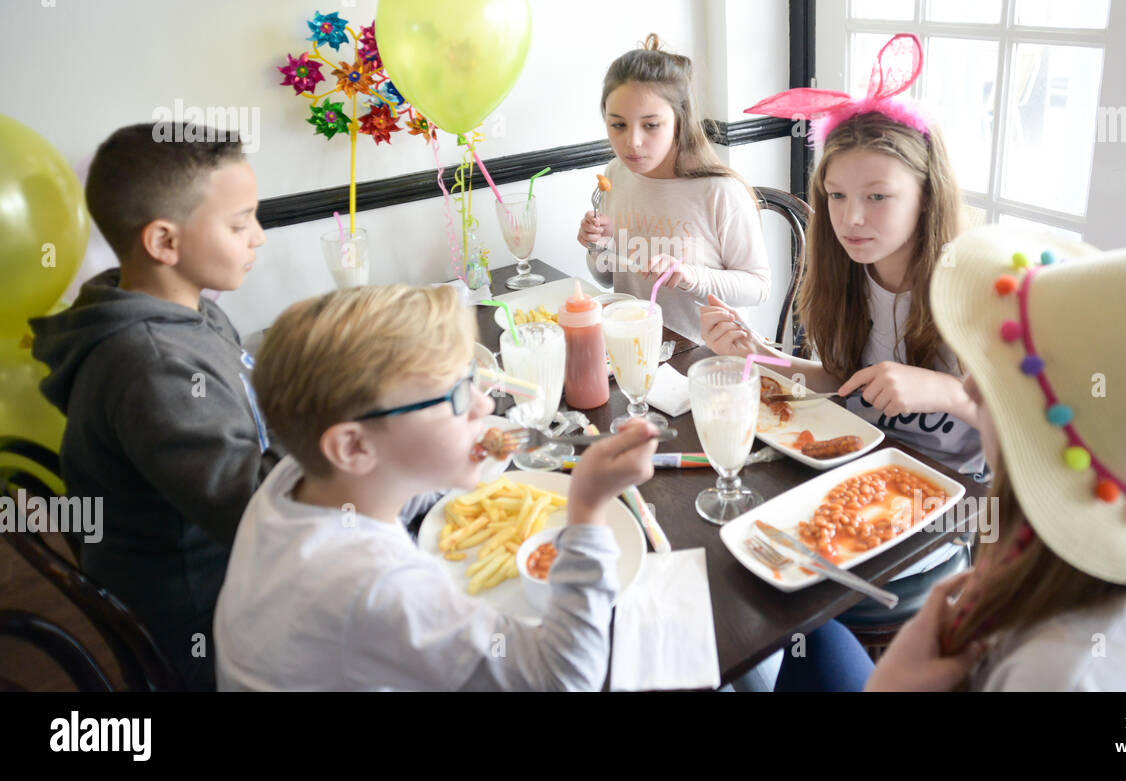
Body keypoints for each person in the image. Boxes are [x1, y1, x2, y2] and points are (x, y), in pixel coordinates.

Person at [818, 226, 1126, 691]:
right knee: (819, 642)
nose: (970, 387)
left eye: (1007, 381)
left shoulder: (1064, 670)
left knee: (814, 641)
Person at [214, 284, 659, 691]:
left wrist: (458, 459)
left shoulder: (294, 476)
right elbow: (562, 678)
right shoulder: (379, 586)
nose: (484, 404)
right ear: (352, 446)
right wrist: (587, 508)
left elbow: (390, 474)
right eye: (456, 396)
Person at [29, 122, 277, 690]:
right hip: (208, 624)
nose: (257, 236)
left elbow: (248, 413)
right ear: (164, 242)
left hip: (229, 573)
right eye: (240, 223)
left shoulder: (187, 312)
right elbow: (260, 514)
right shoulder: (152, 363)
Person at [702, 35, 981, 473]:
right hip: (857, 469)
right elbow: (841, 382)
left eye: (877, 196)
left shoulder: (980, 291)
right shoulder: (847, 274)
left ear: (928, 195)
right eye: (836, 195)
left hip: (952, 493)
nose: (850, 218)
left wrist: (947, 393)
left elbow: (1037, 438)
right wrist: (756, 354)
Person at [577, 34, 770, 343]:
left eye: (651, 125)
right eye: (618, 125)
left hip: (706, 356)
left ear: (679, 121)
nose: (632, 142)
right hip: (635, 345)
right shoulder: (615, 174)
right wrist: (597, 245)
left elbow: (758, 288)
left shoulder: (720, 192)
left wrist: (690, 276)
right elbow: (606, 277)